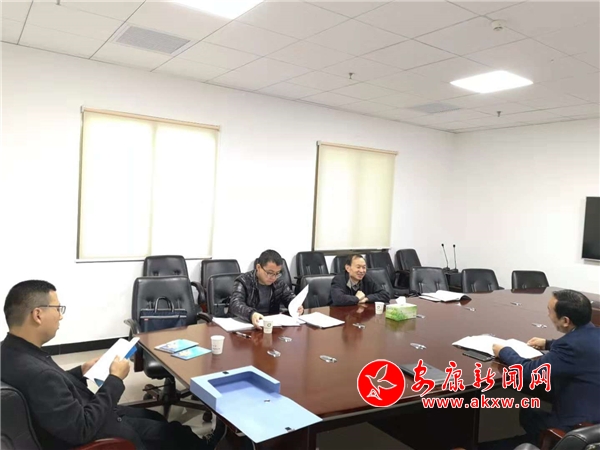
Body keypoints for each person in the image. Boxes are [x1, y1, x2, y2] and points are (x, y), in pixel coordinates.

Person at [1, 280, 226, 450]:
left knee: (156, 418)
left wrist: (80, 371)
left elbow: (51, 389)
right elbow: (82, 429)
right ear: (38, 315)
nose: (60, 316)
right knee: (178, 435)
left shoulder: (10, 351)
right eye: (58, 309)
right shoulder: (38, 374)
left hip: (79, 414)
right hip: (100, 433)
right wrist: (115, 379)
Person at [491, 289, 600, 446]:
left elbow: (528, 371)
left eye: (550, 311)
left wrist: (504, 351)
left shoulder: (569, 346)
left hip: (576, 428)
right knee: (532, 410)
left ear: (565, 321)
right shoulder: (595, 333)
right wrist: (548, 343)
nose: (548, 315)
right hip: (595, 418)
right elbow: (580, 345)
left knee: (528, 413)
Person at [229, 250, 302, 329]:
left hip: (270, 326)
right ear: (258, 267)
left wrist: (296, 306)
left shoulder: (279, 283)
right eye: (270, 273)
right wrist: (251, 314)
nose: (273, 277)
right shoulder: (243, 281)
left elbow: (289, 297)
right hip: (248, 326)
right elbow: (235, 304)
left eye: (277, 273)